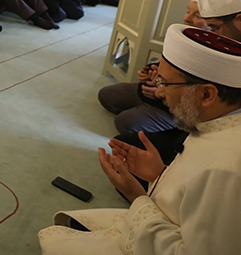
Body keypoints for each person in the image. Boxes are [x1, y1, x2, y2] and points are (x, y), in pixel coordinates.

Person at [39, 23, 241, 255]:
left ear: (206, 95)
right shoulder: (214, 123)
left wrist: (137, 196)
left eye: (165, 83)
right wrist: (159, 175)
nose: (161, 93)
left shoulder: (229, 169)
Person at [98, 0, 212, 136]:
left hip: (175, 106)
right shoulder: (185, 35)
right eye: (188, 11)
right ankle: (144, 111)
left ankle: (174, 127)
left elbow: (201, 96)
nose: (186, 18)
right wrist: (150, 73)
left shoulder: (217, 55)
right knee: (106, 95)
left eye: (198, 16)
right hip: (155, 91)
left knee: (125, 123)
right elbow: (166, 65)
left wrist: (164, 92)